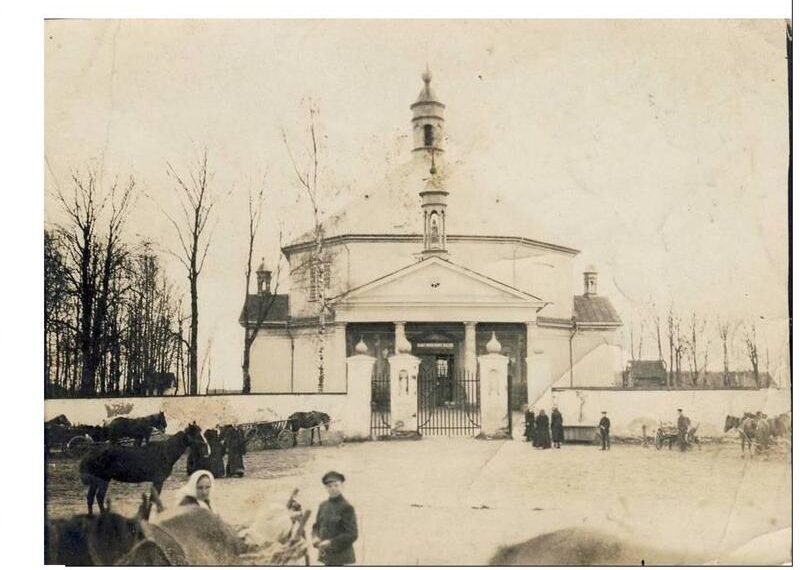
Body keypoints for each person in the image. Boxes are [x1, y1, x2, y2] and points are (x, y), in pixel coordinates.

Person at [312, 471, 358, 566]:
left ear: (342, 486)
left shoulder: (347, 507)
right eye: (329, 486)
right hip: (326, 556)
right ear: (326, 488)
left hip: (341, 558)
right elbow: (316, 526)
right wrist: (315, 537)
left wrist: (331, 542)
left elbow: (352, 534)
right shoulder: (323, 506)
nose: (333, 488)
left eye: (336, 485)